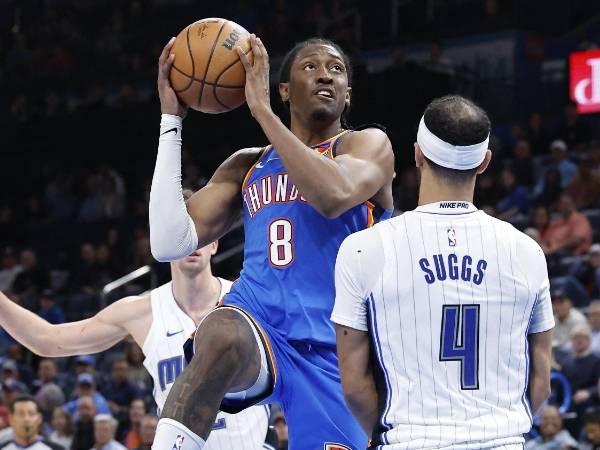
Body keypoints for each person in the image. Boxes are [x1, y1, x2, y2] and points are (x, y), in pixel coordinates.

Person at [149, 35, 394, 450]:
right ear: (285, 90)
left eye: (336, 70)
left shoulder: (366, 145)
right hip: (260, 321)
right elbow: (167, 242)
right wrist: (171, 123)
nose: (326, 76)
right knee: (221, 333)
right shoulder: (247, 165)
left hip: (336, 346)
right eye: (311, 67)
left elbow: (332, 197)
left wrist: (261, 111)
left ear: (348, 96)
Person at [332, 95, 554, 448]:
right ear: (484, 162)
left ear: (418, 154)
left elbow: (355, 386)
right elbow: (540, 381)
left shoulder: (363, 249)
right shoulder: (526, 251)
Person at [0, 217, 270, 449]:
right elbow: (47, 341)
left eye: (200, 233)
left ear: (215, 243)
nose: (191, 242)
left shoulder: (252, 300)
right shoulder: (141, 312)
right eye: (181, 234)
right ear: (163, 246)